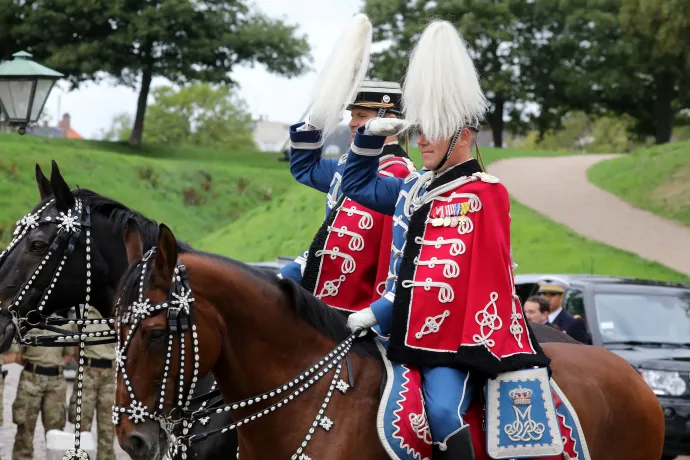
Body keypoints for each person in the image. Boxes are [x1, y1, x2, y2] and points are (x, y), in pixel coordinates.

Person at [341, 20, 550, 458]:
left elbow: (442, 280)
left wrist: (377, 311)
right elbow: (355, 187)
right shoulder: (415, 185)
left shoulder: (481, 193)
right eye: (419, 130)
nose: (422, 141)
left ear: (465, 136)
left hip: (449, 337)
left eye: (433, 129)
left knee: (441, 412)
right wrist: (368, 137)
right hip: (396, 327)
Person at [279, 80, 416, 313]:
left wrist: (376, 309)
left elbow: (378, 247)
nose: (352, 123)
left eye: (361, 116)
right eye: (352, 116)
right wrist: (314, 125)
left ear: (389, 122)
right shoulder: (346, 164)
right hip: (326, 280)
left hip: (355, 298)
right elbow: (305, 169)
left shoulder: (398, 171)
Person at [9, 317, 74, 460]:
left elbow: (69, 354)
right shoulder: (27, 322)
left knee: (56, 431)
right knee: (24, 429)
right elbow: (17, 355)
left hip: (56, 384)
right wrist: (36, 367)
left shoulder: (65, 325)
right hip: (30, 381)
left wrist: (53, 366)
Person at [67, 306, 116, 460]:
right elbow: (75, 348)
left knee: (108, 428)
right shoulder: (82, 312)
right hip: (87, 372)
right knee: (81, 427)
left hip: (110, 375)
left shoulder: (117, 311)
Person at [537, 277, 591, 344]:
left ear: (562, 296)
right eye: (544, 294)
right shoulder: (536, 318)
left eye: (552, 294)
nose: (547, 298)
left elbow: (583, 349)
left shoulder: (573, 322)